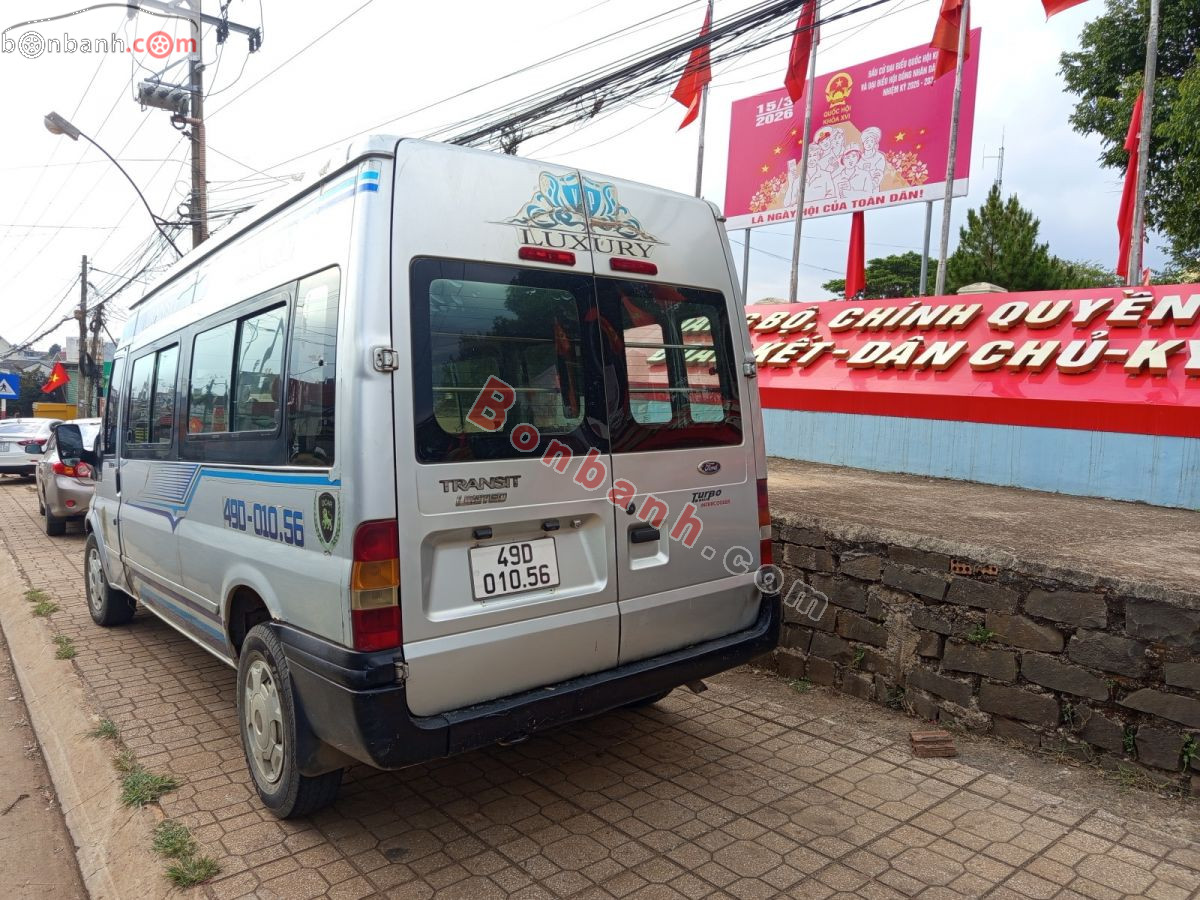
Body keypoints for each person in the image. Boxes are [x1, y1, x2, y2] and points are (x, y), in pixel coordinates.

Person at [860, 126, 886, 192]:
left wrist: (871, 186)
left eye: (871, 141)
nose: (869, 144)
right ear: (863, 143)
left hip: (873, 191)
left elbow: (879, 174)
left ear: (874, 143)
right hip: (859, 191)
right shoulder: (859, 158)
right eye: (867, 141)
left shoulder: (879, 157)